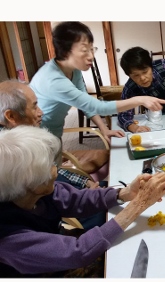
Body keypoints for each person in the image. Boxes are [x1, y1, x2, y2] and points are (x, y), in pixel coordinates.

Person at [0, 125, 165, 277]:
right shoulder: (9, 238)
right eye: (51, 166)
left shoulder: (38, 191)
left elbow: (77, 200)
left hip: (58, 245)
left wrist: (124, 194)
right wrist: (138, 205)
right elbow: (77, 252)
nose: (57, 170)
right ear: (31, 183)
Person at [29, 21, 165, 146]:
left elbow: (87, 104)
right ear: (65, 52)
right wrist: (139, 100)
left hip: (54, 131)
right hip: (34, 136)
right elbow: (98, 107)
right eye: (85, 50)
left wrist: (104, 129)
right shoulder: (53, 80)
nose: (91, 56)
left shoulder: (74, 70)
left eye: (92, 49)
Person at [0, 79, 108, 230]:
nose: (41, 112)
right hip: (39, 216)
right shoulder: (11, 151)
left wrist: (83, 182)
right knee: (104, 213)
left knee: (106, 190)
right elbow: (47, 182)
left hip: (53, 194)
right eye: (34, 106)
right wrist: (81, 189)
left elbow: (53, 170)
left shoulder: (26, 138)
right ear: (11, 116)